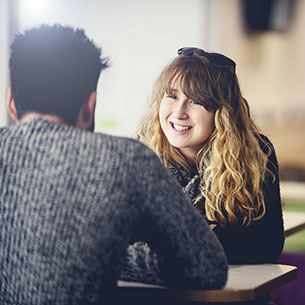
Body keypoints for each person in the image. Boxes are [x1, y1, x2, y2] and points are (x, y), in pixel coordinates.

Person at [0, 26, 228, 305]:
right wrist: (103, 253)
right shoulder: (129, 160)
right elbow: (206, 267)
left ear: (10, 102)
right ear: (89, 106)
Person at [138, 47, 284, 264]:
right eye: (172, 96)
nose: (179, 112)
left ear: (222, 112)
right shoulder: (143, 152)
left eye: (195, 101)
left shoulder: (255, 152)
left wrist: (169, 246)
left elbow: (265, 245)